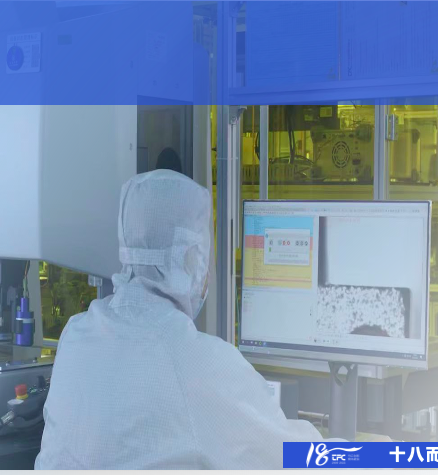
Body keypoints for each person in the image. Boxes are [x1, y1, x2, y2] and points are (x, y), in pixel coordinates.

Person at [35, 170, 326, 469]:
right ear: (192, 257)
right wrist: (360, 454)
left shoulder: (76, 335)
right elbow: (292, 456)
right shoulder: (198, 362)